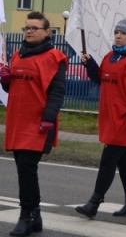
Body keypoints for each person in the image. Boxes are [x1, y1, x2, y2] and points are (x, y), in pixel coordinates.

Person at [75, 18, 126, 219]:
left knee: (108, 160)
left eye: (123, 33)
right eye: (117, 32)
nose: (118, 36)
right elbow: (101, 78)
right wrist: (90, 64)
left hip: (124, 118)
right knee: (124, 162)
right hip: (109, 116)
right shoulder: (110, 56)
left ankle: (94, 202)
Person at [1, 12, 66, 236]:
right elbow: (14, 88)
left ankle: (26, 215)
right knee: (23, 168)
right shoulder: (17, 55)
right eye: (27, 28)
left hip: (38, 123)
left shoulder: (55, 58)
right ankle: (35, 215)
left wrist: (49, 118)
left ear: (47, 32)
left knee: (27, 167)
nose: (29, 31)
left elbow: (57, 93)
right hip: (17, 122)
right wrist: (5, 80)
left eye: (34, 28)